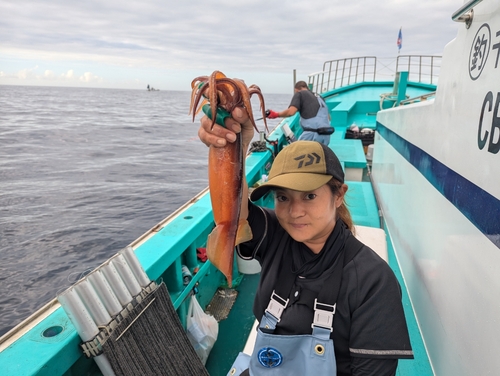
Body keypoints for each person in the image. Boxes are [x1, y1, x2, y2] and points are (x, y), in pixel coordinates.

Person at [198, 107, 413, 376]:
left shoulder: (373, 282)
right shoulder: (276, 235)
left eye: (309, 196)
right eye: (283, 197)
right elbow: (231, 212)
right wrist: (232, 146)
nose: (294, 212)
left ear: (338, 195)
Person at [266, 81, 334, 145]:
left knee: (299, 154)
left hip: (312, 135)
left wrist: (276, 114)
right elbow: (328, 117)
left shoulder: (300, 93)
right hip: (326, 135)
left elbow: (291, 112)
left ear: (297, 90)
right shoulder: (319, 97)